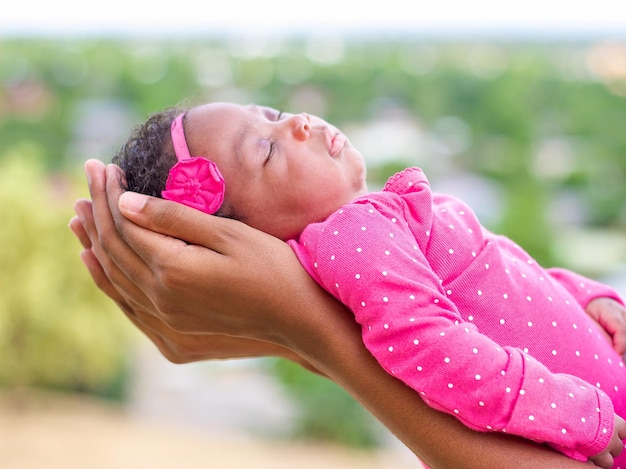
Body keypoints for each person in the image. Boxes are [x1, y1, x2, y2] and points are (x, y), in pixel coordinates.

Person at [72, 101, 626, 467]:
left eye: (272, 112)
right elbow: (445, 358)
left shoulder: (378, 222)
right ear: (244, 239)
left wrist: (589, 296)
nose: (299, 124)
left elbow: (510, 276)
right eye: (266, 150)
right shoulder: (352, 238)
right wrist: (575, 413)